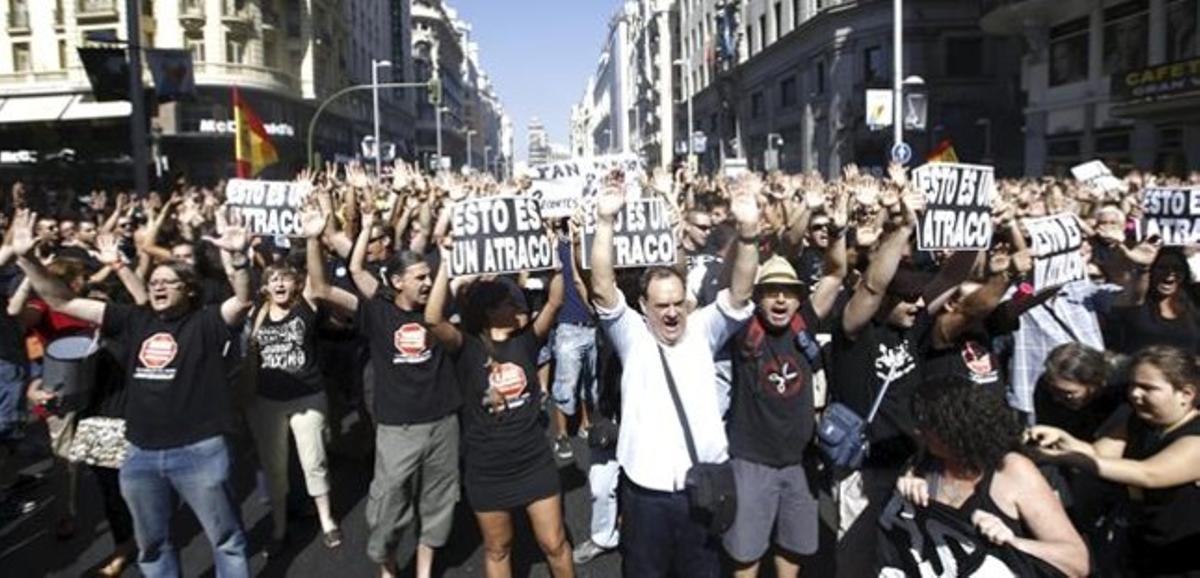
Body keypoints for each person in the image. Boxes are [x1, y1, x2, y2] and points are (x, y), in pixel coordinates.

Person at [7, 207, 253, 578]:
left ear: (188, 290)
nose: (157, 285)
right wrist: (26, 260)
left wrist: (237, 257)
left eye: (168, 281)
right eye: (153, 280)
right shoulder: (134, 319)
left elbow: (243, 300)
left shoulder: (207, 321)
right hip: (139, 454)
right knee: (153, 547)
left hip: (200, 450)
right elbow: (62, 302)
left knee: (226, 540)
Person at [589, 175, 760, 578]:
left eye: (678, 303)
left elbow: (739, 292)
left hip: (702, 491)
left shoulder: (705, 328)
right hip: (645, 498)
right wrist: (605, 220)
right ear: (643, 307)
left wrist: (749, 232)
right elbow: (601, 284)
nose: (671, 313)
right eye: (661, 305)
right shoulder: (631, 335)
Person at [303, 206, 461, 578]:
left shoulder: (440, 307)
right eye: (419, 277)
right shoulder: (375, 312)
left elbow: (463, 281)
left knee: (438, 505)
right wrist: (314, 238)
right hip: (397, 430)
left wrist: (452, 253)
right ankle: (388, 569)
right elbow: (324, 288)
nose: (426, 283)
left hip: (443, 425)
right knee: (388, 508)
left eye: (429, 276)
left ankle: (424, 572)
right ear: (396, 282)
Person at [426, 240, 572, 578]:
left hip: (533, 460)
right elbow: (433, 319)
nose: (519, 307)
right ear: (491, 311)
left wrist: (555, 265)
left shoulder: (528, 339)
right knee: (498, 548)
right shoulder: (467, 346)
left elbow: (555, 299)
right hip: (487, 467)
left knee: (554, 543)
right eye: (510, 303)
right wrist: (447, 261)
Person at [724, 201, 846, 578]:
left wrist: (838, 233)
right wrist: (747, 231)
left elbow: (836, 272)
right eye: (771, 291)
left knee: (793, 550)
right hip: (751, 462)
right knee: (746, 554)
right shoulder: (744, 329)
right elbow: (738, 281)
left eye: (788, 292)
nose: (780, 299)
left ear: (798, 297)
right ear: (759, 297)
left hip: (800, 463)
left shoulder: (804, 322)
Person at [890, 375, 1089, 577]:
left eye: (926, 425)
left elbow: (1076, 561)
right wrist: (907, 494)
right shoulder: (925, 468)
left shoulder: (1011, 470)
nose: (917, 431)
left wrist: (1010, 542)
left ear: (953, 430)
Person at [1031, 345, 1200, 577]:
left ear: (1186, 394)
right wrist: (1062, 440)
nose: (1134, 394)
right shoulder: (1137, 421)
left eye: (1147, 388)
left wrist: (1067, 456)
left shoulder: (1196, 436)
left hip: (1180, 561)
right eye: (1132, 385)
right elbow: (1099, 454)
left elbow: (1149, 474)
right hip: (1139, 549)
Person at [244, 261, 341, 554]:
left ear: (296, 283)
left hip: (307, 397)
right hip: (266, 401)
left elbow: (316, 275)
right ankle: (279, 528)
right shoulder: (257, 313)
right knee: (274, 468)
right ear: (264, 287)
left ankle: (327, 520)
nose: (279, 284)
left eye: (285, 278)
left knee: (314, 461)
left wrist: (312, 237)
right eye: (272, 279)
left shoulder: (305, 307)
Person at [1105, 247, 1200, 354]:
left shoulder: (1194, 306)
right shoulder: (1133, 301)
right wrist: (1143, 268)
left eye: (1177, 269)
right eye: (1162, 268)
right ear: (1151, 272)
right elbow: (1134, 296)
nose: (1170, 273)